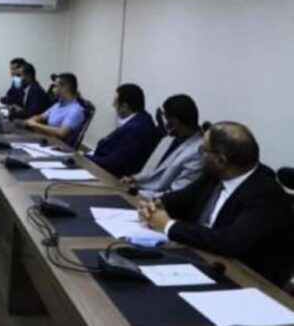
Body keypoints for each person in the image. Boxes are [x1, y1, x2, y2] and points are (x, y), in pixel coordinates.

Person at [139, 122, 294, 287]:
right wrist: (156, 206)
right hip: (199, 257)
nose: (199, 154)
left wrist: (168, 225)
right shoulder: (215, 175)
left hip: (243, 280)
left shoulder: (266, 195)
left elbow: (229, 241)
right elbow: (182, 199)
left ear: (221, 160)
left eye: (203, 150)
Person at [120, 94, 204, 198]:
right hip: (144, 193)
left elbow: (176, 194)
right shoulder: (174, 139)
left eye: (165, 118)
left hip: (157, 202)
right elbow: (155, 173)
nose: (163, 123)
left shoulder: (198, 152)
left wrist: (137, 193)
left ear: (173, 122)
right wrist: (134, 179)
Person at [88, 84, 160, 177]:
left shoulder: (136, 129)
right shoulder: (142, 118)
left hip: (110, 175)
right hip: (104, 162)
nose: (113, 105)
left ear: (125, 106)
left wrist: (84, 157)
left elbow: (113, 163)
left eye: (115, 103)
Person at [25, 73, 84, 146]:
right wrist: (32, 120)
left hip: (58, 146)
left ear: (65, 88)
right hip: (46, 139)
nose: (53, 90)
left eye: (55, 86)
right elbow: (41, 116)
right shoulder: (59, 104)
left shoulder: (75, 110)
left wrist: (36, 125)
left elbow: (62, 133)